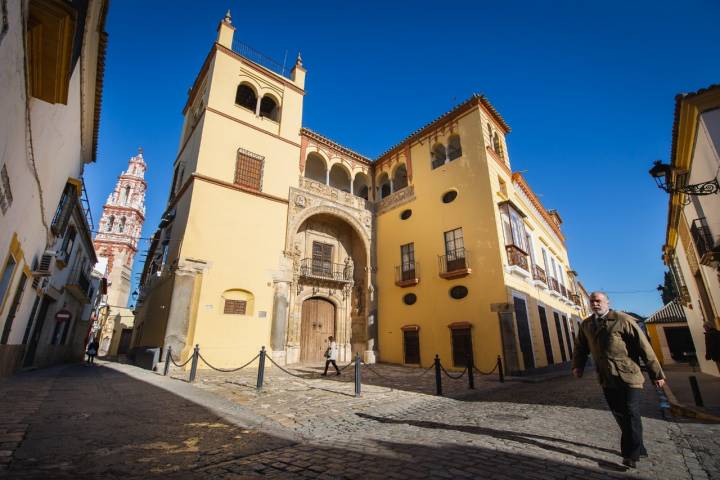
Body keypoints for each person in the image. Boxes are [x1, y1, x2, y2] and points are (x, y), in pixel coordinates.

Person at [572, 291, 666, 469]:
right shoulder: (586, 325)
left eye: (599, 301)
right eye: (592, 301)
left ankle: (630, 455)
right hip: (606, 377)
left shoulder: (622, 320)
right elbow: (580, 347)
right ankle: (638, 446)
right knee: (620, 415)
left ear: (608, 302)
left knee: (630, 412)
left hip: (629, 375)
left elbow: (643, 346)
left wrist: (657, 373)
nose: (595, 304)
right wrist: (578, 366)